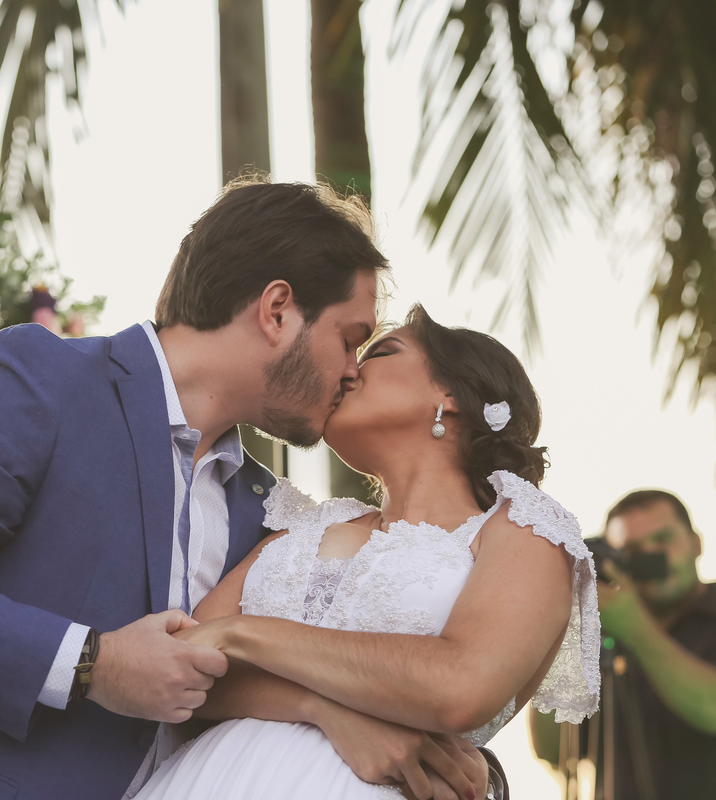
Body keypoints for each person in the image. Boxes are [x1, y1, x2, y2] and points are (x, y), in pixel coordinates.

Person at [0, 179, 509, 800]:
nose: (352, 370)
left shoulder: (266, 512)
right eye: (351, 338)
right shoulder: (45, 381)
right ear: (276, 311)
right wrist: (93, 662)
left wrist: (340, 717)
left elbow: (248, 679)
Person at [130, 304, 600, 799]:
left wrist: (242, 632)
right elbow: (191, 669)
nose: (349, 370)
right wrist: (325, 711)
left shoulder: (524, 527)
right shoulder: (305, 524)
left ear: (451, 395)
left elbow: (459, 685)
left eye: (381, 351)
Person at [529, 490, 716, 800]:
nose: (652, 556)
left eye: (663, 540)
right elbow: (554, 750)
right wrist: (563, 637)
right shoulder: (601, 641)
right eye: (633, 549)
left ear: (696, 543)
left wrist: (635, 628)